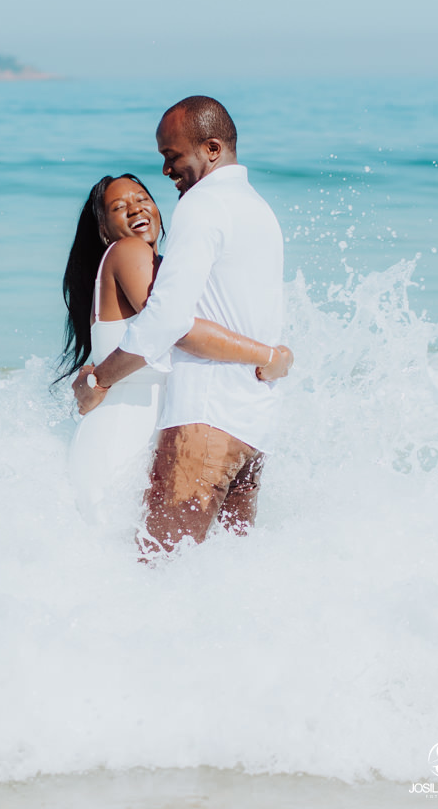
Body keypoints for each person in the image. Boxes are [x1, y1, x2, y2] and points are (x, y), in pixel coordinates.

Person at [73, 96, 291, 554]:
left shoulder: (201, 206)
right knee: (216, 571)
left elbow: (170, 322)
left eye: (171, 156)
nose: (166, 170)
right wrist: (271, 356)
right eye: (119, 207)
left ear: (211, 149)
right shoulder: (258, 210)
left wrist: (99, 379)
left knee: (157, 570)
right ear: (103, 228)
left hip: (203, 422)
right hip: (249, 425)